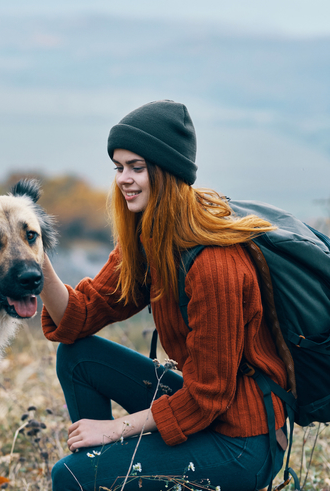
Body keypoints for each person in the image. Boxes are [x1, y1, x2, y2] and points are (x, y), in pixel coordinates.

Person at [40, 100, 288, 491]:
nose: (124, 178)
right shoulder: (150, 239)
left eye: (137, 167)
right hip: (204, 410)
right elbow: (83, 313)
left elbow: (208, 399)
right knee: (78, 357)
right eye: (119, 167)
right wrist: (34, 259)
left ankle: (93, 473)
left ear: (167, 171)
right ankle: (99, 472)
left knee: (69, 477)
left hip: (241, 443)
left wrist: (112, 430)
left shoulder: (213, 265)